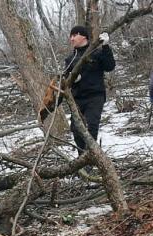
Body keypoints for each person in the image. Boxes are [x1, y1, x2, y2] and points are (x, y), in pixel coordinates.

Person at [63, 25, 116, 153]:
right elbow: (65, 79)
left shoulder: (96, 53)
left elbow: (110, 66)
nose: (71, 39)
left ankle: (91, 157)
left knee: (91, 126)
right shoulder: (70, 59)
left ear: (84, 36)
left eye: (74, 35)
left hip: (95, 96)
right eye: (71, 36)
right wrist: (70, 79)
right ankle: (82, 157)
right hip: (77, 98)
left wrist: (105, 46)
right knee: (76, 129)